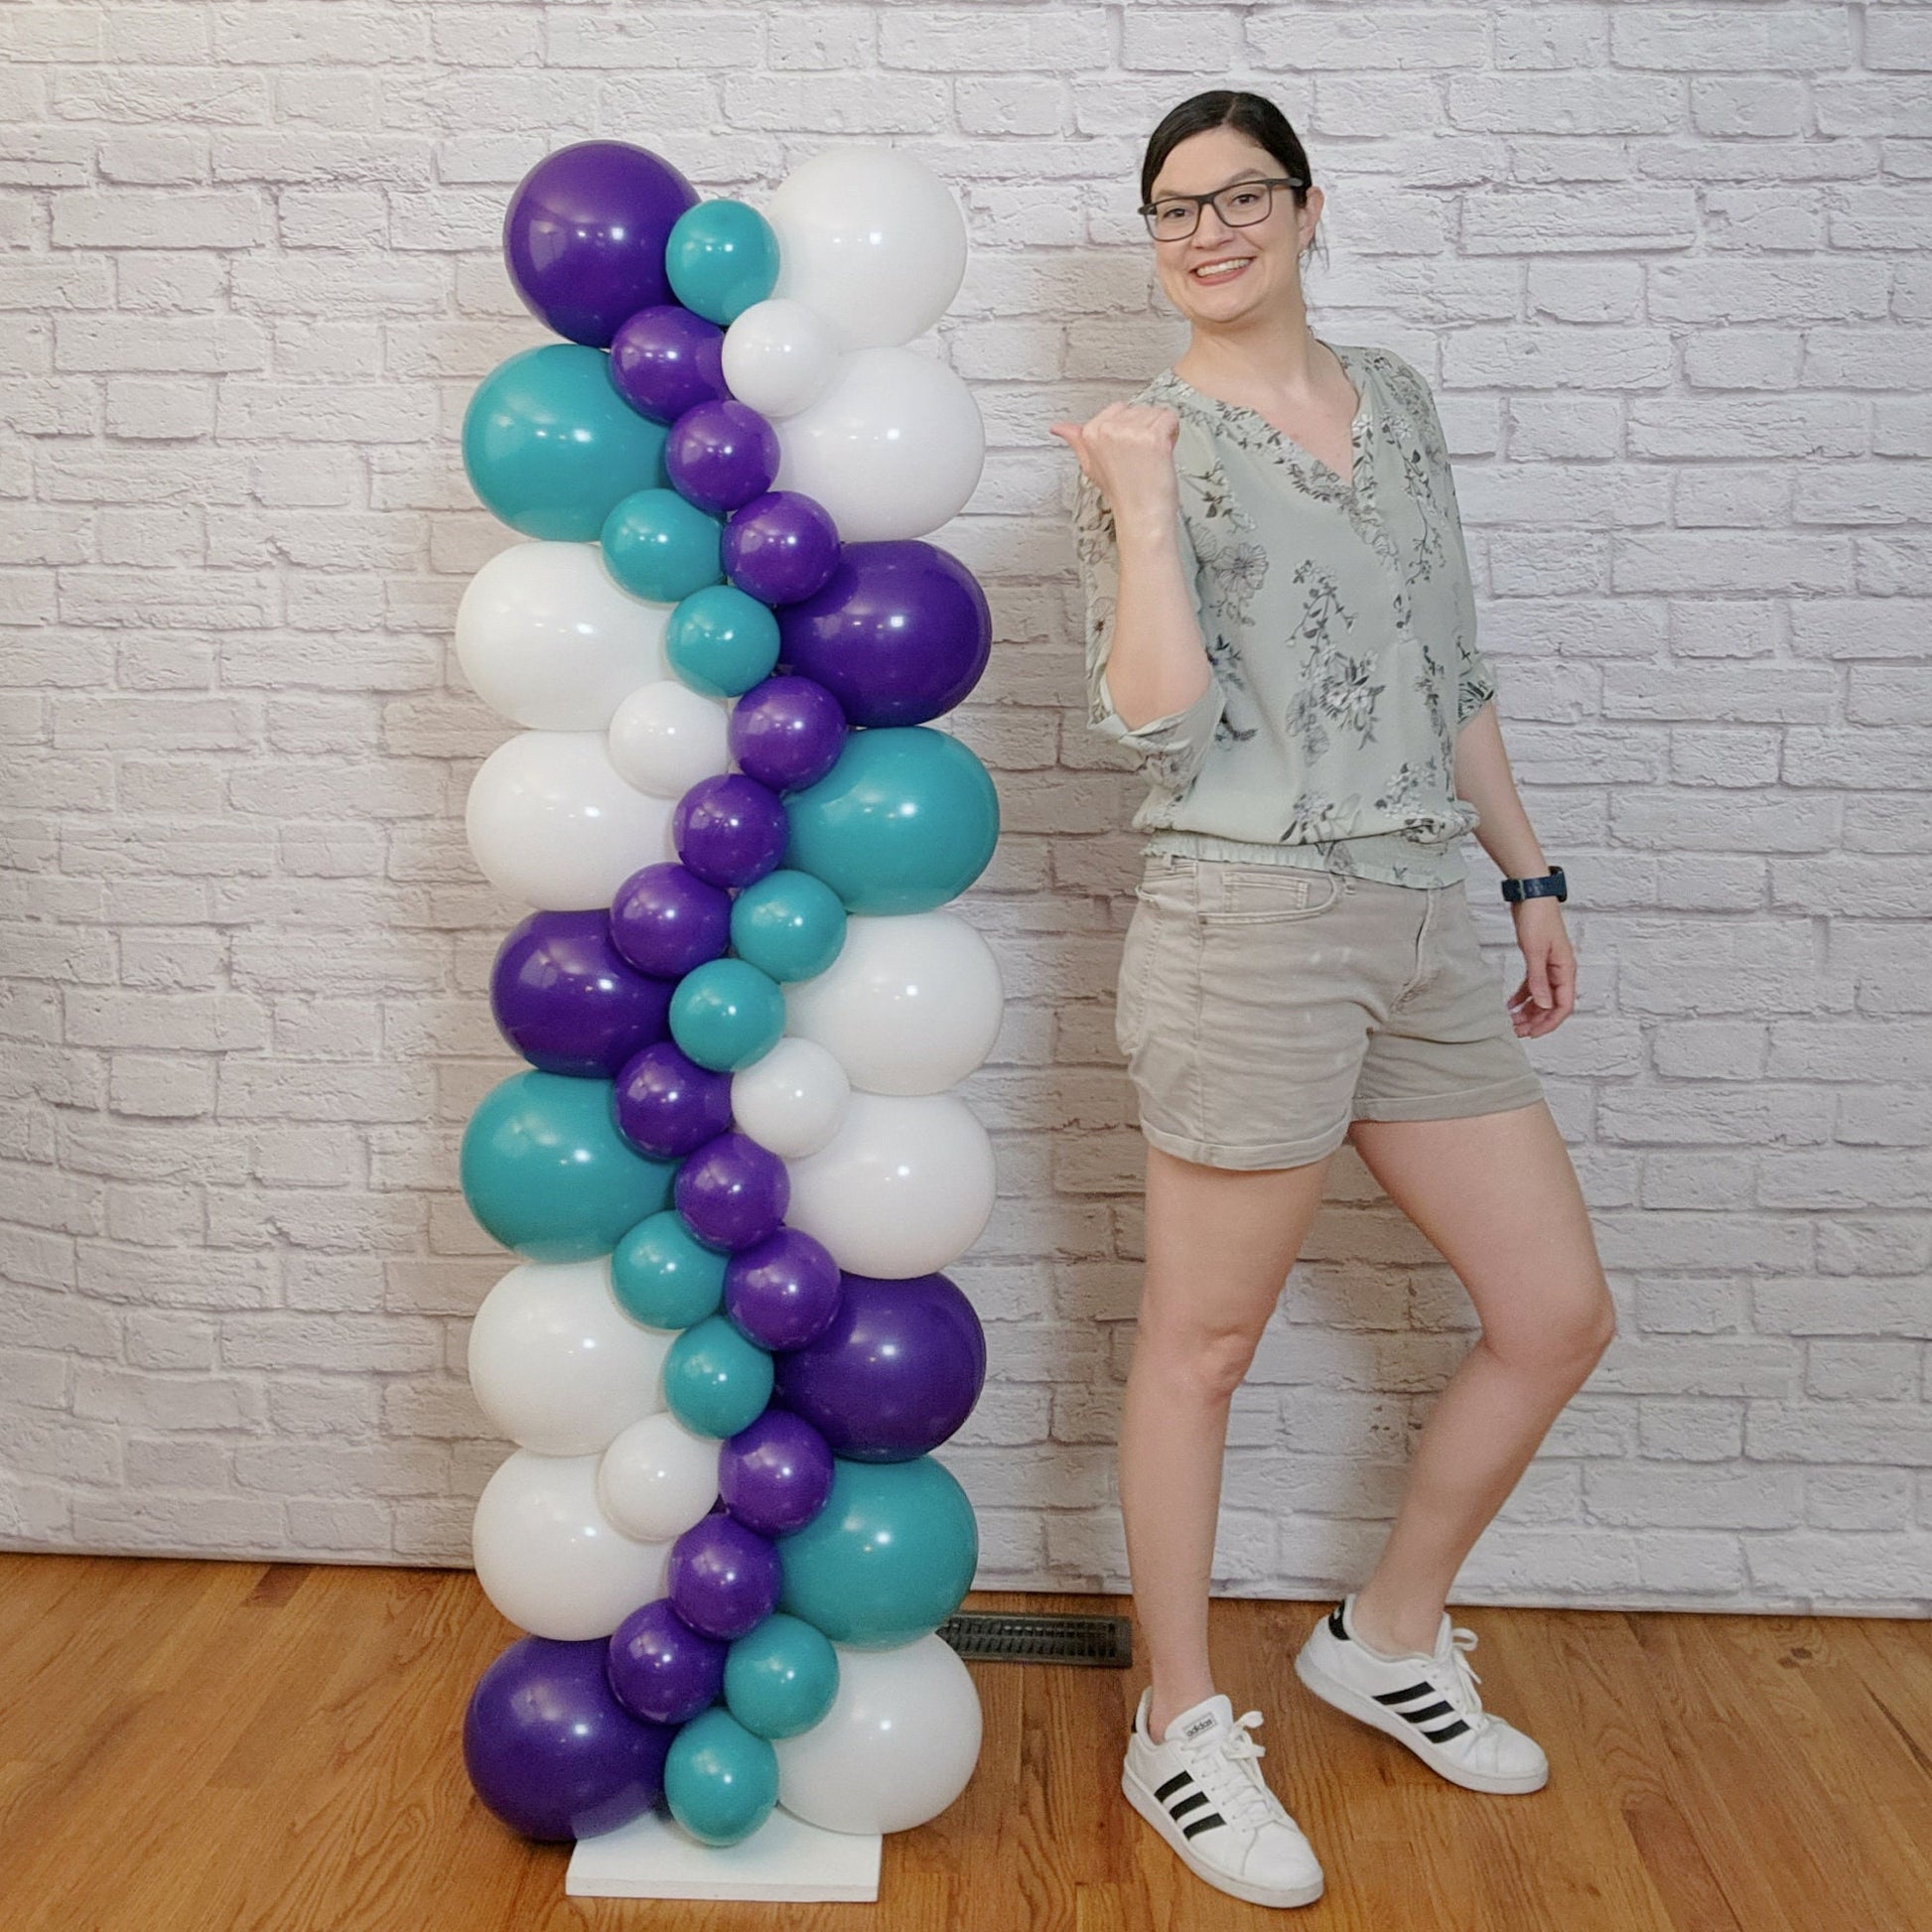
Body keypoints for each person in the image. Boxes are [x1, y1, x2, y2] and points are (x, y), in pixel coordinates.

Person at [1049, 90, 1617, 1912]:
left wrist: (1524, 872)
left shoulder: (1399, 400)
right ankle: (1178, 1727)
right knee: (1202, 1346)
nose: (1206, 232)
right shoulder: (1144, 441)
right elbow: (1152, 718)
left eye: (1239, 197)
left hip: (1418, 916)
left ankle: (1385, 1633)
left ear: (1308, 210)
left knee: (1555, 1313)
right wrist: (1143, 506)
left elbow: (1451, 664)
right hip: (1248, 926)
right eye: (1171, 209)